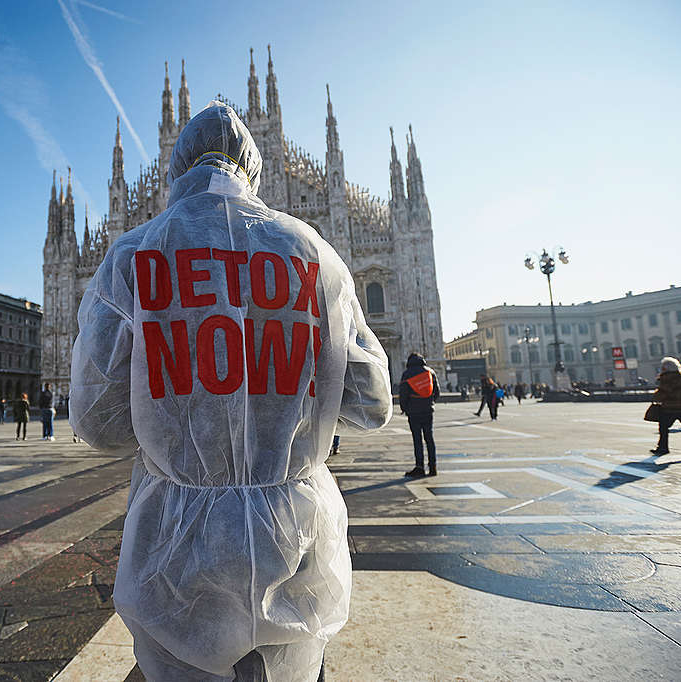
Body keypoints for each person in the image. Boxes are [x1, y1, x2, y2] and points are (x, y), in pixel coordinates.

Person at [69, 102, 391, 682]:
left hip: (176, 553)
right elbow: (371, 402)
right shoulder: (311, 251)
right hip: (295, 542)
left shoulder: (133, 256)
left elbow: (97, 423)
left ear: (176, 163)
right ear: (254, 166)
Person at [399, 352, 440, 477]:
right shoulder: (430, 372)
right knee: (429, 439)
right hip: (428, 410)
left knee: (417, 440)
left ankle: (419, 467)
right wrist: (430, 402)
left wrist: (404, 408)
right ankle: (433, 467)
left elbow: (403, 394)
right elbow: (437, 391)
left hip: (414, 412)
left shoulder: (407, 374)